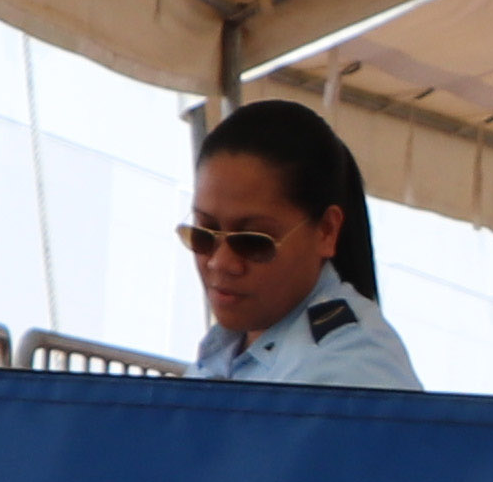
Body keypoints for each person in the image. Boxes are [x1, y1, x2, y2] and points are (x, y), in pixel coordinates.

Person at [179, 93, 425, 388]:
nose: (221, 262)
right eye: (204, 234)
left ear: (326, 231)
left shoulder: (351, 371)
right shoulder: (227, 348)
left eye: (253, 241)